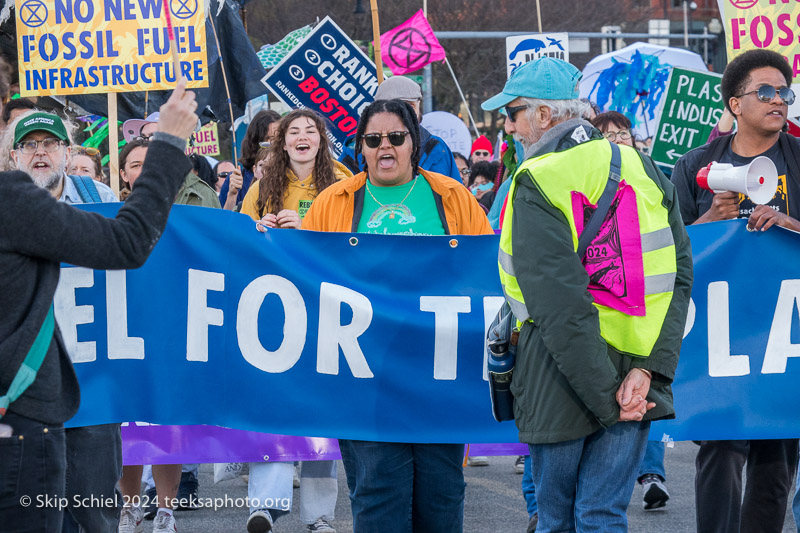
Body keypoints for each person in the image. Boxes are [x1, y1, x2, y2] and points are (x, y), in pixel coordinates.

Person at [481, 57, 692, 532]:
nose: (508, 126)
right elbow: (679, 276)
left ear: (544, 116)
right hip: (633, 376)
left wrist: (607, 398)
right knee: (603, 516)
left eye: (513, 113)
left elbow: (560, 307)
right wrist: (647, 372)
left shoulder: (537, 178)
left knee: (555, 520)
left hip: (562, 376)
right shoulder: (646, 167)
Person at [0, 76, 198, 533]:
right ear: (13, 155)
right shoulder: (14, 201)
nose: (41, 152)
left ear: (68, 154)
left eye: (51, 142)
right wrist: (167, 143)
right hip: (27, 415)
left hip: (85, 397)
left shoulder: (92, 200)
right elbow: (128, 242)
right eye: (29, 144)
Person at [303, 98, 492, 532]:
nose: (384, 146)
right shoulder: (333, 203)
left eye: (396, 137)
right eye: (373, 139)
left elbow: (485, 274)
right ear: (360, 148)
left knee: (441, 499)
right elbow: (304, 279)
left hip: (440, 378)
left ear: (415, 143)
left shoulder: (453, 197)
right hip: (364, 379)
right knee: (377, 498)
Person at [669, 48, 800, 533]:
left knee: (776, 458)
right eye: (764, 91)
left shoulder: (799, 159)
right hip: (719, 337)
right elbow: (665, 249)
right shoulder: (695, 165)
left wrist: (791, 224)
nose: (778, 100)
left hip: (784, 336)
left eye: (784, 92)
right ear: (733, 104)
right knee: (719, 450)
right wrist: (706, 221)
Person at [240, 109, 348, 533]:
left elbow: (352, 241)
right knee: (275, 403)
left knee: (322, 409)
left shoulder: (342, 180)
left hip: (326, 308)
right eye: (293, 132)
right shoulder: (264, 183)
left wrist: (307, 228)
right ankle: (265, 506)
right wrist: (259, 228)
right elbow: (238, 235)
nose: (302, 137)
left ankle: (319, 515)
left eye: (311, 131)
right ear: (281, 142)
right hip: (274, 310)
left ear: (321, 139)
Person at [117, 123, 220, 533]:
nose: (142, 170)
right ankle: (128, 506)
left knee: (166, 420)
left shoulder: (189, 213)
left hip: (174, 327)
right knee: (125, 421)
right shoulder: (107, 210)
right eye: (134, 164)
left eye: (150, 163)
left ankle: (164, 510)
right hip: (124, 329)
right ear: (123, 174)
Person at [592, 109, 672, 511]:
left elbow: (682, 252)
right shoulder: (580, 185)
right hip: (591, 347)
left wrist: (650, 361)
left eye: (623, 133)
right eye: (606, 135)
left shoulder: (658, 183)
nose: (617, 140)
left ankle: (652, 475)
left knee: (603, 507)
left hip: (640, 345)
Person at [338, 76, 461, 182]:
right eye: (395, 108)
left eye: (410, 107)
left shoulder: (437, 149)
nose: (404, 114)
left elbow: (456, 199)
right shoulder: (352, 154)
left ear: (419, 106)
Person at [220, 109, 282, 210]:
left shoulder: (293, 174)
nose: (274, 144)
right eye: (269, 138)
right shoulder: (238, 179)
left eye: (279, 138)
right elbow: (222, 221)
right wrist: (232, 195)